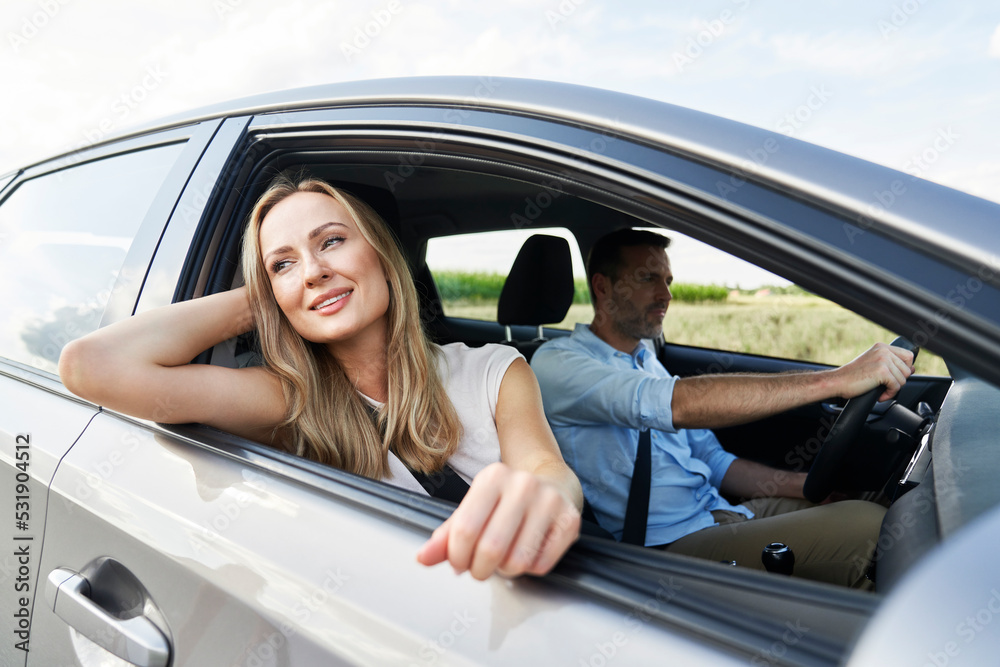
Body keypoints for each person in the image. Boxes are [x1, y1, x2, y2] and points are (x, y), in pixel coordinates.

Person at [59, 174, 582, 582]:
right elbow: (90, 367)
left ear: (380, 253)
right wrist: (265, 300)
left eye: (331, 242)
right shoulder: (288, 397)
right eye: (281, 265)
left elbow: (543, 467)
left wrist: (547, 498)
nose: (311, 271)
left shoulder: (494, 369)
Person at [530, 228, 915, 589]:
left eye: (668, 281)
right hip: (668, 549)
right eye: (649, 279)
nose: (666, 295)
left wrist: (811, 488)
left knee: (874, 500)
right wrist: (834, 380)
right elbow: (674, 404)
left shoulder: (645, 357)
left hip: (721, 514)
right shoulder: (558, 363)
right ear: (603, 287)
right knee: (872, 528)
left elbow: (714, 461)